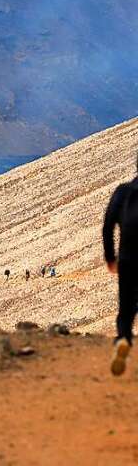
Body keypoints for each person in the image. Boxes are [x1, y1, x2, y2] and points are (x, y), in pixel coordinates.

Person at [103, 160, 138, 375]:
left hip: (127, 259)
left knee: (126, 306)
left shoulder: (123, 192)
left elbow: (107, 225)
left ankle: (123, 339)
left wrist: (110, 258)